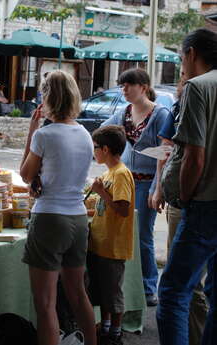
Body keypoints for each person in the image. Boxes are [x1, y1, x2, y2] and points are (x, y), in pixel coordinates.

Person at [20, 70, 96, 345]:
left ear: (48, 97)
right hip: (77, 218)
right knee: (78, 294)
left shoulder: (45, 134)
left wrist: (31, 132)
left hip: (50, 217)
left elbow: (26, 175)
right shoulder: (85, 134)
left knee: (45, 303)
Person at [156, 28, 217, 345]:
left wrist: (185, 197)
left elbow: (194, 156)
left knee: (173, 292)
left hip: (205, 204)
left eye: (181, 57)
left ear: (191, 53)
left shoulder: (198, 87)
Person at [101, 68, 169, 306]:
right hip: (125, 181)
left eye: (128, 85)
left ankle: (149, 287)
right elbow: (102, 133)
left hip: (147, 182)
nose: (124, 90)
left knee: (142, 235)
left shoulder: (160, 114)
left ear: (143, 86)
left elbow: (166, 153)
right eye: (122, 86)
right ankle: (130, 286)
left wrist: (157, 187)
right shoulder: (124, 113)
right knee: (123, 234)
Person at [152, 74, 209, 345]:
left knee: (180, 287)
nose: (181, 80)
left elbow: (190, 157)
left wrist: (183, 197)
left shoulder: (197, 95)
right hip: (185, 200)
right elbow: (167, 151)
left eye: (184, 74)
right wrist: (160, 189)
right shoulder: (177, 107)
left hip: (192, 202)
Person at [87, 125, 135, 345]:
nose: (93, 151)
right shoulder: (108, 173)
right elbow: (103, 208)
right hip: (100, 244)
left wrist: (101, 192)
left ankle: (115, 333)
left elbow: (123, 209)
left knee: (112, 292)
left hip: (113, 246)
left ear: (105, 149)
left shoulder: (121, 174)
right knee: (101, 290)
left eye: (95, 147)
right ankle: (105, 326)